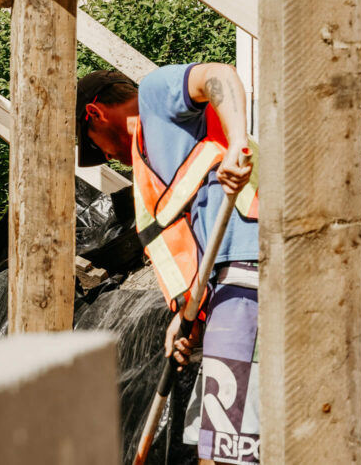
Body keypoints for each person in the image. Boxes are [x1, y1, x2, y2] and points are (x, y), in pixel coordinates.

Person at [76, 63, 260, 465]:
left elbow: (221, 76)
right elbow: (189, 239)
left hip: (248, 271)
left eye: (96, 146)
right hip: (227, 282)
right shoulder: (150, 154)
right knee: (217, 449)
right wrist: (187, 313)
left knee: (227, 452)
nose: (108, 157)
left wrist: (237, 145)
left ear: (95, 114)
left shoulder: (155, 94)